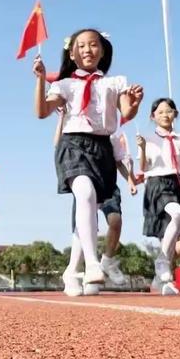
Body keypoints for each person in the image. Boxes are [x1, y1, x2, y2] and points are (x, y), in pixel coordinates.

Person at [33, 28, 143, 296]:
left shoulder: (115, 82)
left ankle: (72, 270)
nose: (87, 50)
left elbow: (126, 112)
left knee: (88, 205)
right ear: (72, 53)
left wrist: (136, 103)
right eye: (81, 46)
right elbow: (41, 112)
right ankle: (93, 264)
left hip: (102, 148)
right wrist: (39, 80)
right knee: (84, 192)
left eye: (93, 45)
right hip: (73, 145)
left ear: (102, 50)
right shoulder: (64, 84)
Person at [55, 109, 138, 295]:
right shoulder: (75, 126)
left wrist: (130, 180)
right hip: (85, 176)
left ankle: (93, 265)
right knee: (85, 225)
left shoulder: (111, 132)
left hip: (107, 182)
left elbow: (119, 160)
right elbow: (58, 143)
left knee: (110, 221)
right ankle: (75, 271)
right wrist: (61, 117)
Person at [137, 98, 180, 296]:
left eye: (169, 111)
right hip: (157, 184)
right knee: (178, 214)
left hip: (177, 184)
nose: (165, 115)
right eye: (161, 112)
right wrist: (141, 148)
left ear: (175, 114)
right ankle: (162, 260)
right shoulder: (148, 138)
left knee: (171, 237)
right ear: (153, 116)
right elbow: (143, 168)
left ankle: (165, 280)